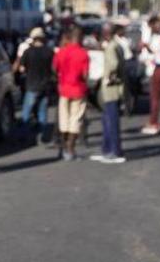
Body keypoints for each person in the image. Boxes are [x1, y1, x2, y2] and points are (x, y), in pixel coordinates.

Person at [52, 26, 89, 161]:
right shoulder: (83, 54)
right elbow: (85, 75)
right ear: (80, 38)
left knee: (64, 119)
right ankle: (70, 148)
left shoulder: (61, 52)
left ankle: (64, 147)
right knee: (75, 119)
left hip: (64, 89)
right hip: (78, 89)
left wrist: (61, 78)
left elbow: (54, 68)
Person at [91, 23, 127, 164]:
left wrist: (108, 78)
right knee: (106, 121)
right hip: (113, 89)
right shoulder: (116, 45)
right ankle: (106, 150)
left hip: (112, 90)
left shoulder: (111, 47)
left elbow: (113, 65)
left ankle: (115, 151)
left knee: (111, 122)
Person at [14, 27, 53, 145]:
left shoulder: (28, 52)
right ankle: (43, 137)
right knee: (42, 113)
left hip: (31, 85)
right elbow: (54, 69)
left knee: (26, 113)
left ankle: (24, 137)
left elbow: (21, 69)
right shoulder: (49, 52)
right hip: (45, 86)